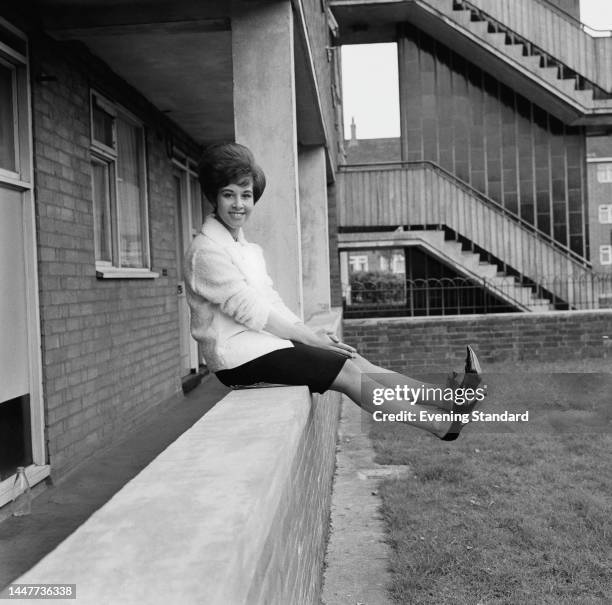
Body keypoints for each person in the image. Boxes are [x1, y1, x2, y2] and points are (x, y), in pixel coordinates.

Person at [183, 143, 484, 441]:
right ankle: (443, 426)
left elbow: (270, 300)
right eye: (228, 195)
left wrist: (307, 333)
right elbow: (250, 309)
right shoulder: (206, 251)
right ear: (214, 197)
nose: (239, 204)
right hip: (236, 357)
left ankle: (449, 401)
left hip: (263, 343)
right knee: (347, 372)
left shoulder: (247, 249)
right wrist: (308, 338)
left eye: (246, 195)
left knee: (355, 360)